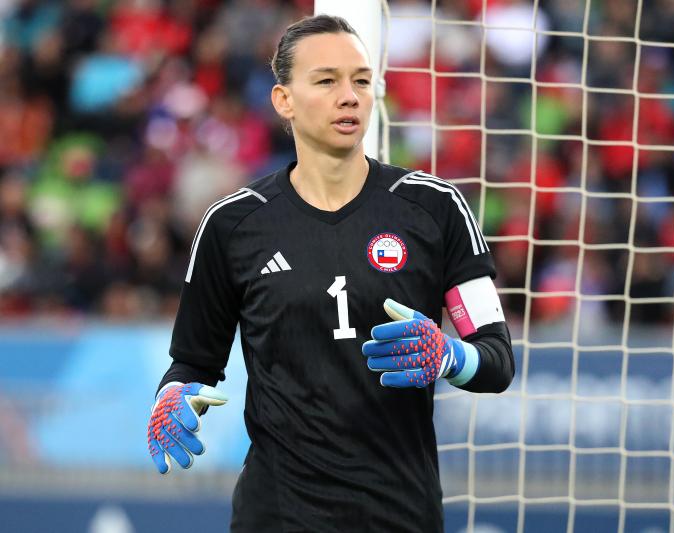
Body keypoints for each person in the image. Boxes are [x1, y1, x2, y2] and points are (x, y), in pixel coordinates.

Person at [146, 14, 514, 533]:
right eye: (327, 80)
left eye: (361, 80)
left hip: (400, 515)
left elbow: (497, 361)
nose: (350, 96)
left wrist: (452, 356)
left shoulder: (436, 209)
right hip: (275, 516)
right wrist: (172, 398)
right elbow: (192, 364)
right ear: (284, 101)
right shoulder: (233, 224)